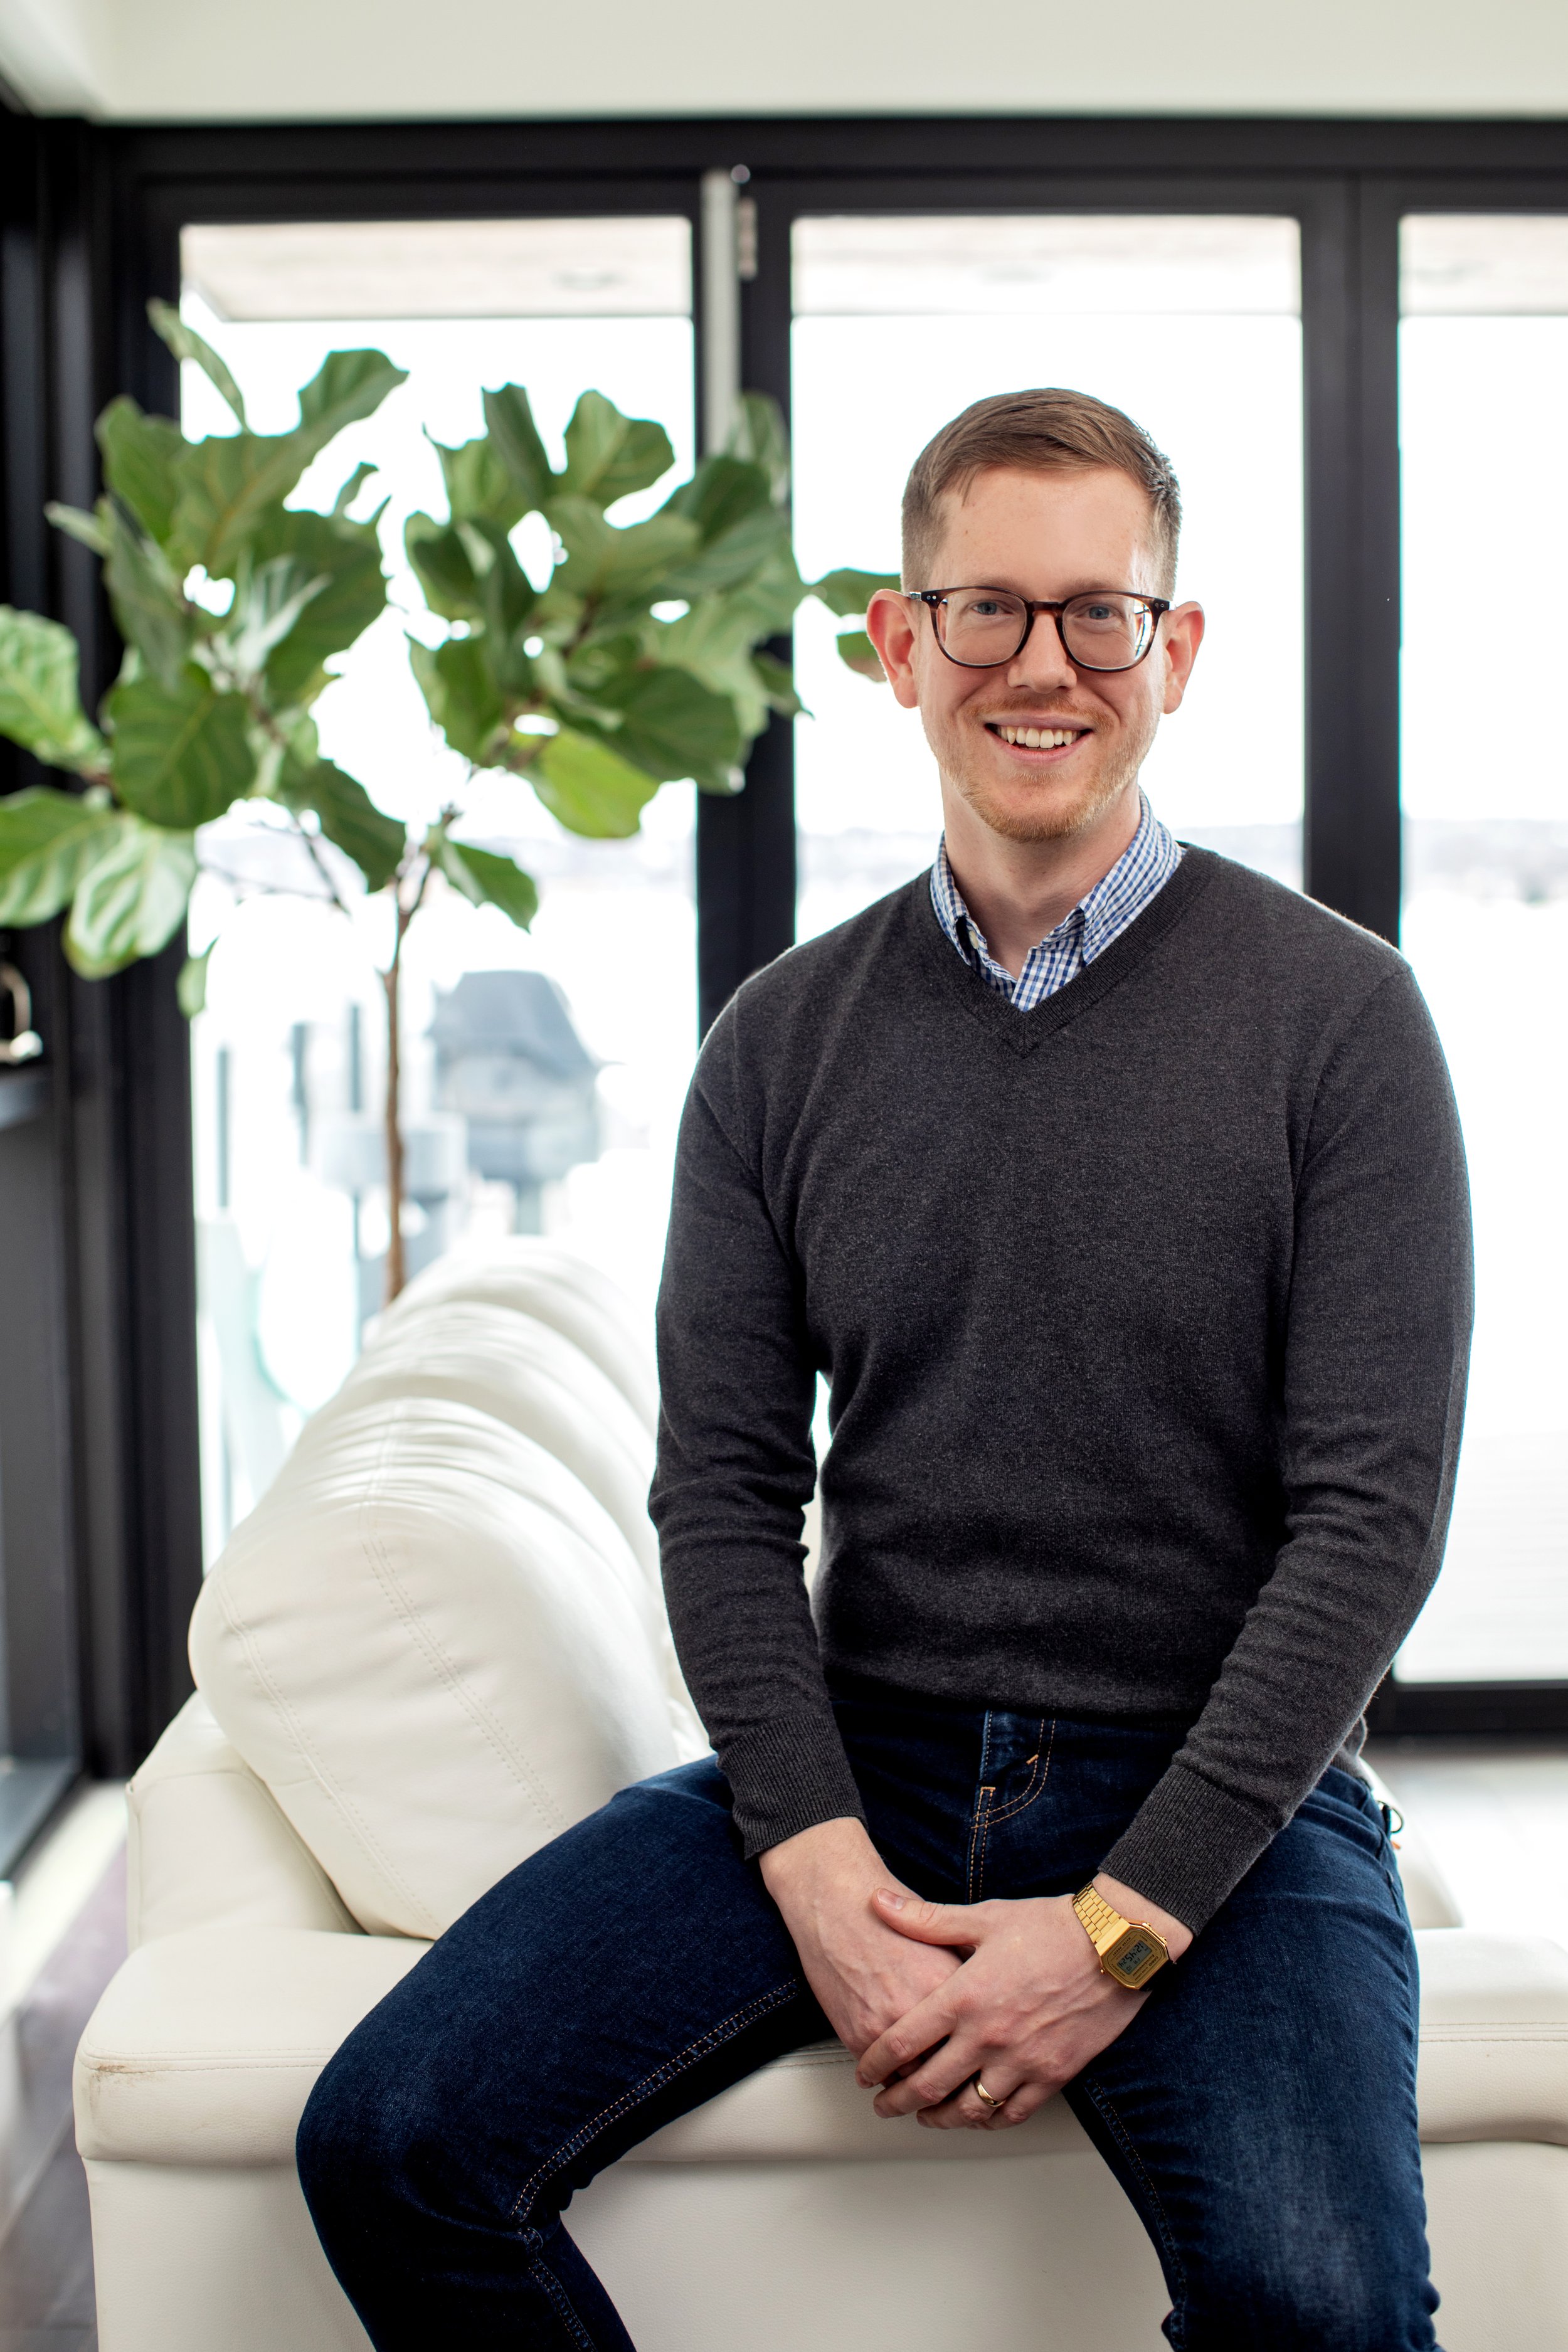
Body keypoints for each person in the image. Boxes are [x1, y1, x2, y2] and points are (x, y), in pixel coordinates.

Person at [297, 388, 1473, 2351]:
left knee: (1327, 2315)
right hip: (870, 1759)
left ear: (1172, 652)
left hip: (1225, 1803)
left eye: (1099, 613)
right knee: (392, 2139)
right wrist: (817, 1861)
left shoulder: (1341, 1021)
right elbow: (725, 1499)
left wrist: (1121, 1928)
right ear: (896, 642)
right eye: (987, 610)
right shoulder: (777, 1043)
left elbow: (1370, 1525)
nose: (1042, 664)